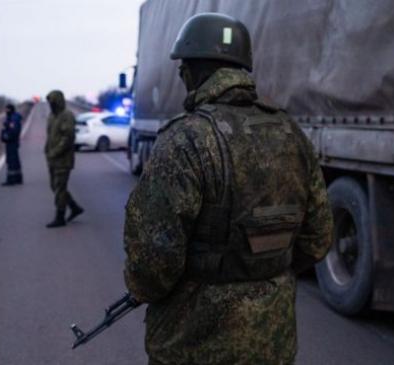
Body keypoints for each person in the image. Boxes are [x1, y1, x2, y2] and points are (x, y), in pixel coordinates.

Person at [123, 13, 333, 364]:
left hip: (194, 343)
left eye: (182, 69)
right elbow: (318, 238)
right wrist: (259, 271)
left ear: (190, 71)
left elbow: (152, 265)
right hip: (273, 339)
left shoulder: (185, 140)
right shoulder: (291, 133)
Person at [44, 90, 84, 228]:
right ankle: (74, 207)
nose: (50, 104)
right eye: (49, 102)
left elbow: (68, 138)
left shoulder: (66, 116)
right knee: (54, 186)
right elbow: (50, 136)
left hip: (63, 159)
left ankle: (60, 216)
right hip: (52, 158)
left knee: (60, 187)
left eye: (52, 101)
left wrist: (55, 151)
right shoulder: (51, 116)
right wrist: (47, 149)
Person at [1, 104, 23, 186]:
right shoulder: (13, 117)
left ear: (10, 109)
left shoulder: (13, 119)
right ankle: (17, 178)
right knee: (15, 160)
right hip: (13, 142)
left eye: (7, 109)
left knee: (11, 161)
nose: (6, 111)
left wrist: (6, 136)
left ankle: (11, 179)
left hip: (12, 142)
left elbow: (13, 131)